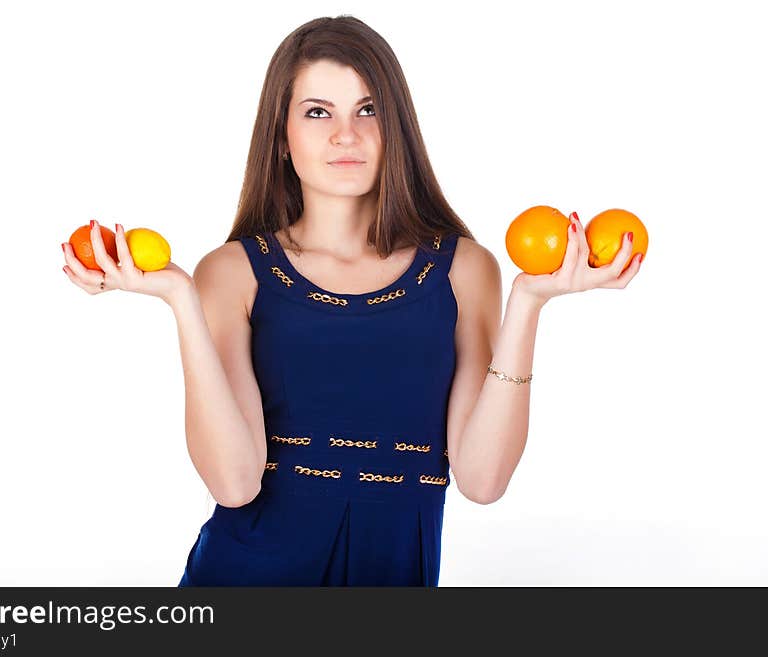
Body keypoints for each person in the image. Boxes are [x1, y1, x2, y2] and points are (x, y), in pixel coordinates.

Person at [61, 15, 642, 586]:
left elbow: (483, 480)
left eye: (368, 110)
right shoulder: (234, 273)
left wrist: (528, 303)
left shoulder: (463, 269)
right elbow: (234, 485)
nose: (347, 134)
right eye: (318, 112)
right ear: (281, 137)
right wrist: (180, 298)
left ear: (398, 128)